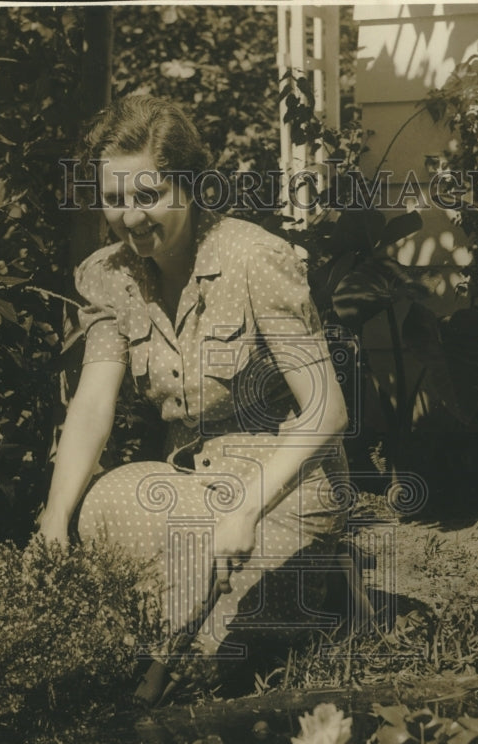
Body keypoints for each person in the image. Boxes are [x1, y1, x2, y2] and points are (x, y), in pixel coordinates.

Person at [40, 95, 350, 703]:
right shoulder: (113, 276)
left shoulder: (253, 257)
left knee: (209, 656)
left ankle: (314, 583)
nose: (130, 218)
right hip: (190, 487)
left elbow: (327, 412)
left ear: (189, 185)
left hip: (283, 490)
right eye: (115, 199)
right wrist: (54, 521)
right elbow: (93, 404)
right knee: (103, 501)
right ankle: (195, 622)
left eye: (148, 195)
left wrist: (245, 510)